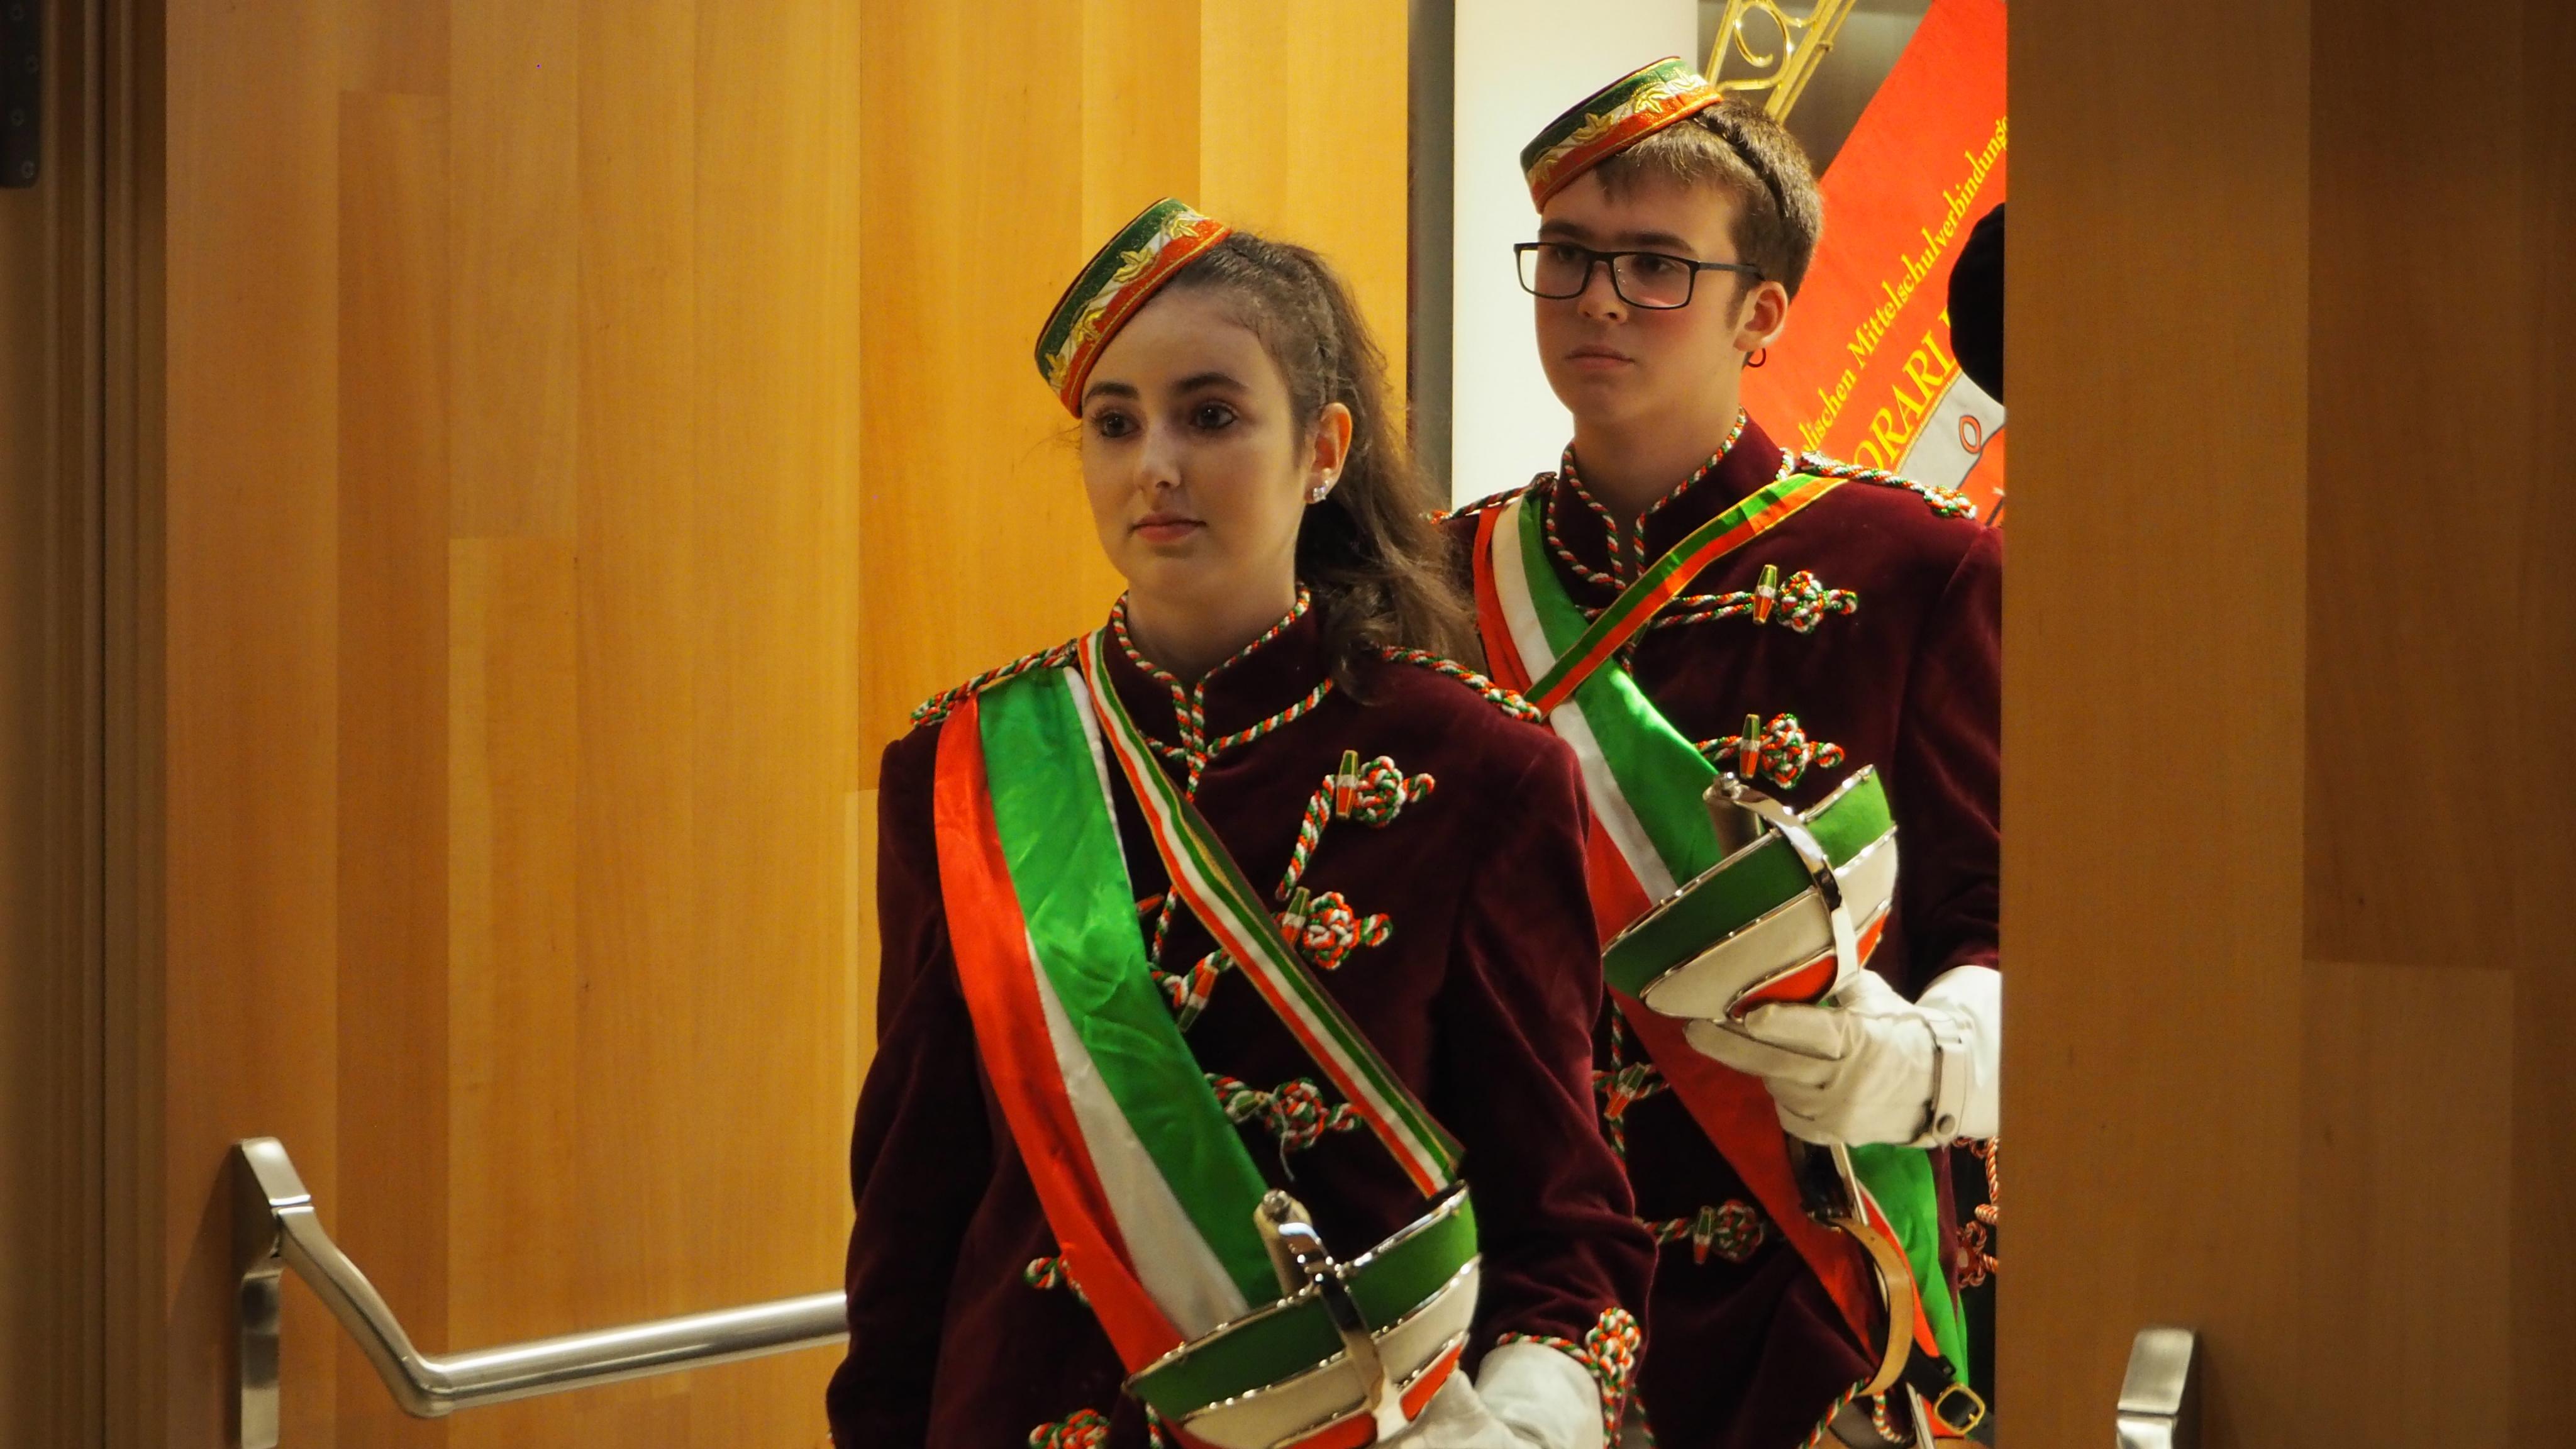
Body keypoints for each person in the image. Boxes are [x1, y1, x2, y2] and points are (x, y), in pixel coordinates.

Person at [826, 199, 1653, 1449]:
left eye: (1209, 416)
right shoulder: (961, 770)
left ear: (1323, 448)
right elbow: (912, 1212)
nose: (1154, 464)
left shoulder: (1481, 770)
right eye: (1116, 424)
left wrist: (1533, 1420)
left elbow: (1564, 1221)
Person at [1441, 61, 2003, 1448]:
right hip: (1514, 1294)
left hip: (1808, 1292)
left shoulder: (1914, 566)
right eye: (1567, 257)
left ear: (1761, 312)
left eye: (1654, 265)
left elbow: (1997, 915)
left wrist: (1921, 1058)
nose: (1597, 300)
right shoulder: (1441, 580)